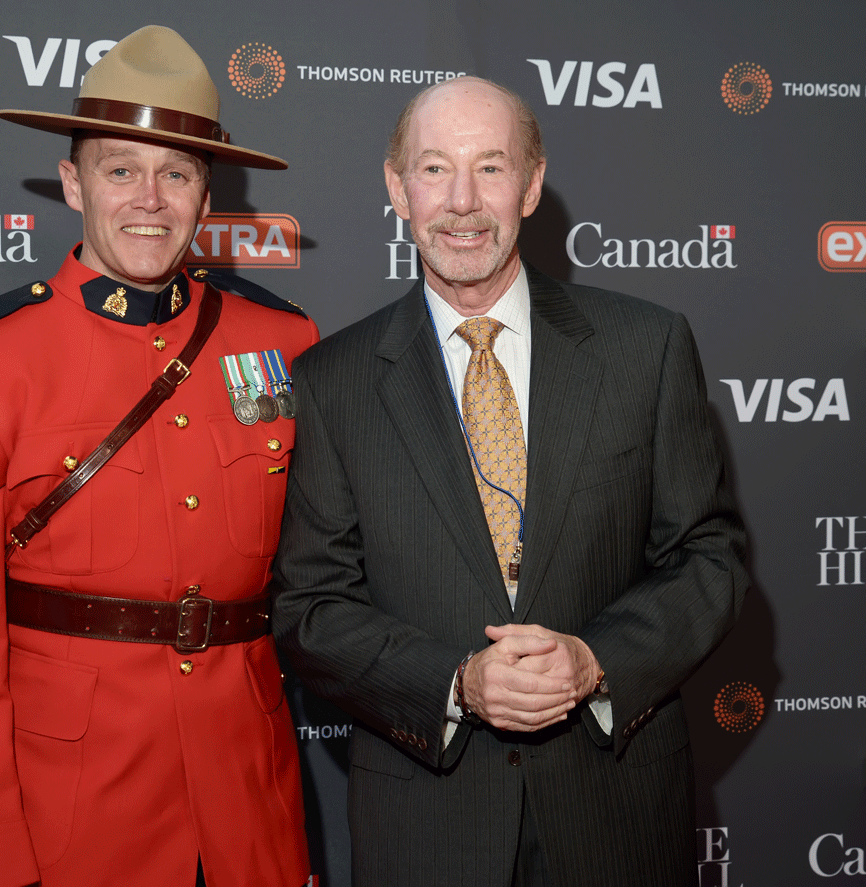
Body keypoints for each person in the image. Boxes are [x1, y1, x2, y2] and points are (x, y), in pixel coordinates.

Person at [0, 25, 315, 887]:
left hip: (250, 807)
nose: (150, 199)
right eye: (120, 170)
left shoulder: (281, 341)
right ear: (73, 184)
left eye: (176, 173)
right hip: (72, 821)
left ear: (207, 198)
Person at [271, 76, 748, 887]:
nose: (461, 202)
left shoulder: (647, 347)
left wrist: (596, 660)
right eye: (433, 170)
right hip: (428, 821)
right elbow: (310, 609)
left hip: (617, 810)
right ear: (397, 188)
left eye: (490, 168)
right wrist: (456, 683)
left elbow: (710, 559)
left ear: (530, 185)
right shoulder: (331, 381)